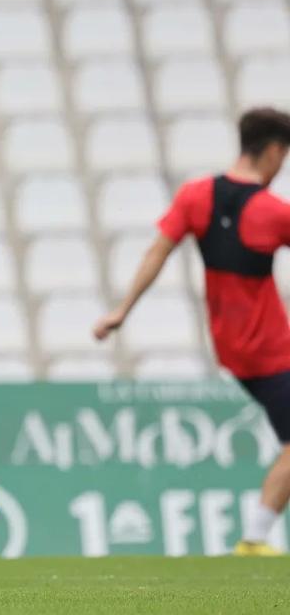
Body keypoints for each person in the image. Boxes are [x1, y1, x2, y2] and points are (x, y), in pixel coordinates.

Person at [94, 107, 290, 556]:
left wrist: (122, 311)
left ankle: (255, 538)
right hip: (271, 350)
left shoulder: (195, 195)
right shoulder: (273, 212)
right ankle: (254, 540)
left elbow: (157, 251)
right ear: (275, 151)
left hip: (230, 347)